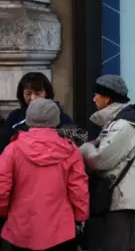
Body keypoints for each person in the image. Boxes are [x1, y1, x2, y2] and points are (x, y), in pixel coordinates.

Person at [0, 98, 89, 251]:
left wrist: (4, 213)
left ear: (28, 119)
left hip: (22, 226)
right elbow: (79, 189)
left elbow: (2, 187)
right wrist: (81, 216)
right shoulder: (71, 150)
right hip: (61, 229)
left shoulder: (12, 149)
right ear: (56, 120)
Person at [79, 75, 135, 251]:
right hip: (118, 194)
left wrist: (85, 148)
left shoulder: (123, 125)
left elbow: (100, 160)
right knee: (124, 243)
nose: (93, 99)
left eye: (96, 95)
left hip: (120, 196)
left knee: (116, 245)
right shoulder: (116, 122)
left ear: (107, 98)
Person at [0, 72, 73, 152]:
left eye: (38, 93)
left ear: (46, 93)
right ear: (22, 94)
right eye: (28, 94)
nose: (33, 98)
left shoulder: (61, 117)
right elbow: (4, 145)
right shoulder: (15, 116)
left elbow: (73, 144)